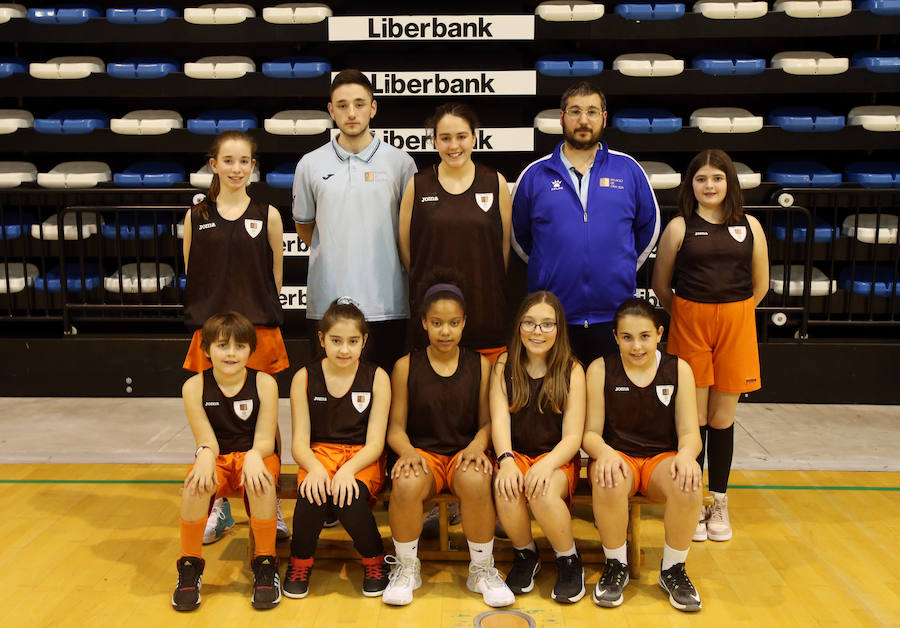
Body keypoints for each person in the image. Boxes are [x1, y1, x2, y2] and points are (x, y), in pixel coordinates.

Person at [651, 149, 769, 543]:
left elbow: (761, 283)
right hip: (691, 322)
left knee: (722, 418)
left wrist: (732, 314)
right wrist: (689, 313)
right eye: (701, 179)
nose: (709, 185)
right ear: (692, 185)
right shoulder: (679, 227)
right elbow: (660, 285)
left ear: (729, 183)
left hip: (736, 323)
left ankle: (718, 499)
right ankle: (692, 498)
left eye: (716, 178)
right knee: (694, 419)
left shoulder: (750, 224)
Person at [181, 130, 291, 545]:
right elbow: (194, 271)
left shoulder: (269, 215)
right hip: (211, 335)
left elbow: (275, 277)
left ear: (252, 167)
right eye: (228, 161)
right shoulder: (196, 216)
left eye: (244, 161)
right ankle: (219, 505)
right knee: (214, 416)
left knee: (265, 420)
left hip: (258, 331)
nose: (236, 168)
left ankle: (270, 502)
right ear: (214, 164)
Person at [382, 272, 514, 608]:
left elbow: (488, 422)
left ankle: (482, 568)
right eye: (437, 322)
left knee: (475, 479)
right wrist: (407, 451)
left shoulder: (480, 365)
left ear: (464, 322)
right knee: (407, 481)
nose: (445, 331)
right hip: (423, 455)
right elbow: (395, 427)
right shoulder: (405, 366)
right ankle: (407, 567)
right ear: (424, 322)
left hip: (462, 454)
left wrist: (476, 445)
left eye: (453, 323)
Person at [512, 81, 660, 366]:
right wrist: (553, 265)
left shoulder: (628, 169)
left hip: (614, 316)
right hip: (553, 318)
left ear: (604, 118)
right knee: (556, 403)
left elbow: (648, 231)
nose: (583, 120)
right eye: (575, 111)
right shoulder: (535, 174)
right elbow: (520, 240)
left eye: (592, 112)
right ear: (562, 117)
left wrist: (620, 266)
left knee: (609, 405)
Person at [583, 298, 703, 612]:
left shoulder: (679, 369)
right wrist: (605, 453)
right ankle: (615, 566)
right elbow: (590, 433)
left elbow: (691, 432)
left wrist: (687, 456)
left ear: (659, 333)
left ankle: (673, 570)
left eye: (645, 336)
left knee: (689, 483)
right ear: (615, 337)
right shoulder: (600, 369)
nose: (636, 346)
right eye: (627, 337)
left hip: (660, 460)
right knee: (606, 478)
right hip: (617, 457)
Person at [292, 69, 417, 372]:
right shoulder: (309, 164)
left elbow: (409, 233)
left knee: (384, 395)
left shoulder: (401, 163)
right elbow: (306, 228)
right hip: (328, 303)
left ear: (373, 108)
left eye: (360, 104)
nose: (351, 113)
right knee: (330, 397)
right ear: (331, 110)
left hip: (386, 304)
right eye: (343, 105)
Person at [172, 312, 281, 611]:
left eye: (240, 346)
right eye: (222, 345)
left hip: (256, 454)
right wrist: (204, 453)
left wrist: (255, 456)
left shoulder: (265, 384)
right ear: (206, 350)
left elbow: (265, 438)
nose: (231, 353)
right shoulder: (193, 387)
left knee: (261, 484)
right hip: (218, 455)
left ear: (251, 350)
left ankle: (265, 564)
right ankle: (190, 566)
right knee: (195, 485)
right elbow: (205, 438)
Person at [283, 298, 392, 599]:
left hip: (361, 457)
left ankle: (375, 561)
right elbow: (299, 444)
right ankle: (299, 562)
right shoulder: (303, 378)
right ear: (322, 339)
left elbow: (376, 443)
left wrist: (348, 469)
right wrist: (317, 469)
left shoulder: (377, 377)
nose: (344, 349)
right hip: (318, 455)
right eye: (336, 340)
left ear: (364, 341)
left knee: (349, 498)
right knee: (311, 496)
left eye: (353, 341)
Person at [491, 291, 586, 604]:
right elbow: (499, 421)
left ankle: (569, 560)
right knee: (505, 485)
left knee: (541, 491)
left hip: (556, 460)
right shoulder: (504, 363)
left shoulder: (572, 369)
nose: (537, 331)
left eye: (547, 324)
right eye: (530, 323)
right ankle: (525, 555)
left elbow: (573, 437)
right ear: (518, 326)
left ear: (559, 329)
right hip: (516, 455)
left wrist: (545, 465)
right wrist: (505, 460)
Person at [398, 102, 512, 363]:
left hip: (486, 317)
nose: (454, 146)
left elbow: (503, 252)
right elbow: (407, 252)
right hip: (436, 323)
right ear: (434, 141)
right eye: (445, 138)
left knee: (488, 400)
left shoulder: (496, 182)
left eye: (461, 137)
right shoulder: (417, 185)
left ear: (474, 137)